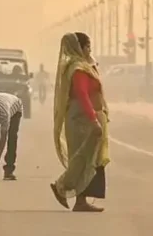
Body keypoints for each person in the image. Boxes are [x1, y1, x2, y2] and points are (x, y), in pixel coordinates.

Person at [49, 32, 110, 213]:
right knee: (82, 158)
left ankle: (80, 201)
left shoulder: (86, 66)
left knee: (90, 159)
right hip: (82, 118)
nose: (90, 50)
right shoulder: (77, 69)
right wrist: (94, 121)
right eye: (87, 46)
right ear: (79, 47)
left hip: (89, 117)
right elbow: (83, 95)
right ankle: (62, 186)